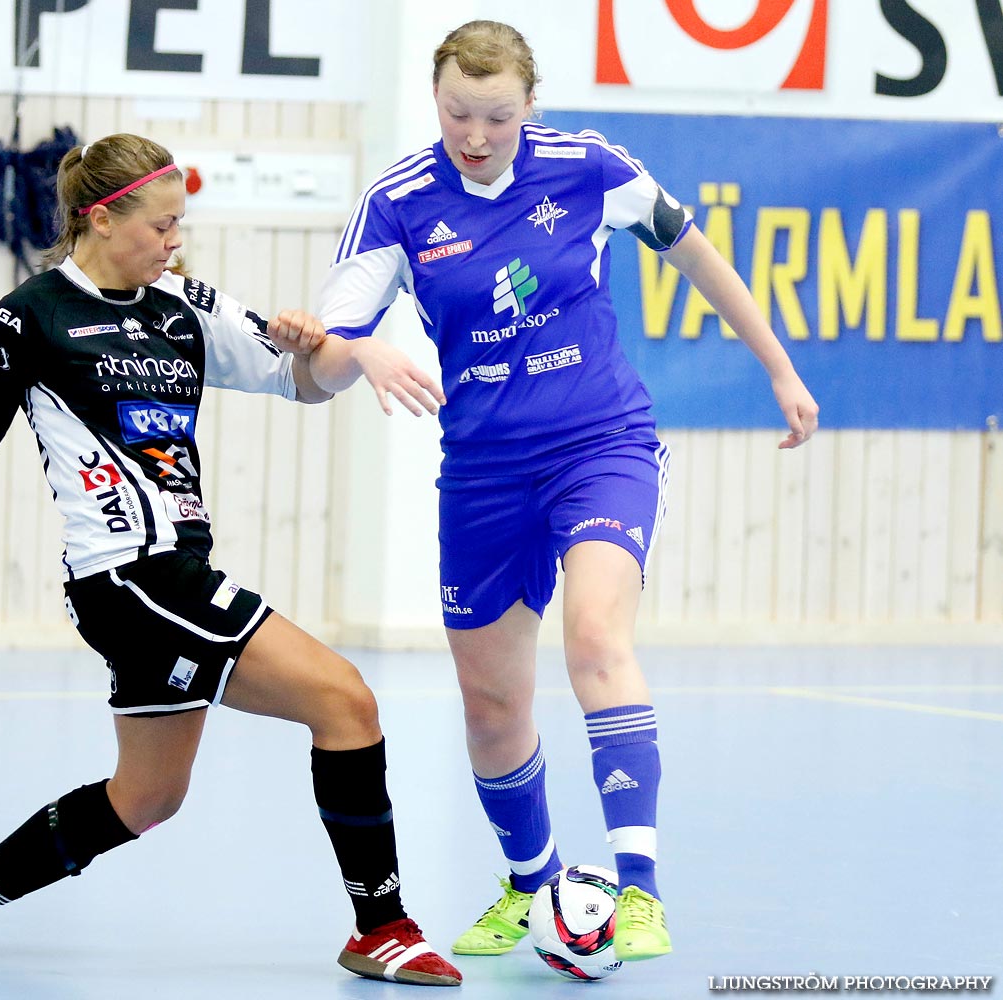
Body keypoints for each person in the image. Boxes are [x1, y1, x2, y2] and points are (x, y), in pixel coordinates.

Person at [0, 132, 462, 989]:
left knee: (146, 799)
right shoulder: (29, 318)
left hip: (166, 577)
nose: (177, 241)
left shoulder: (182, 303)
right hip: (132, 576)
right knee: (346, 701)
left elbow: (305, 381)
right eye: (164, 225)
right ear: (102, 219)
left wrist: (334, 347)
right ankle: (382, 927)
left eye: (182, 225)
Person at [308, 20, 818, 964]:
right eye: (458, 111)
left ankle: (641, 890)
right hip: (483, 470)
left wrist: (780, 370)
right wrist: (362, 348)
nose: (475, 133)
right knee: (492, 704)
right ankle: (533, 885)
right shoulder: (399, 203)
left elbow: (697, 254)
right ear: (436, 100)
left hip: (600, 442)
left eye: (497, 116)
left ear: (529, 107)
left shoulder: (589, 168)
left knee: (593, 634)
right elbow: (331, 345)